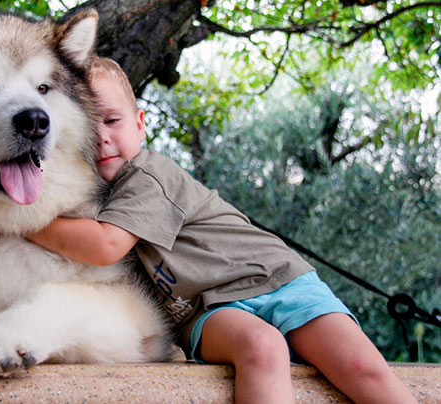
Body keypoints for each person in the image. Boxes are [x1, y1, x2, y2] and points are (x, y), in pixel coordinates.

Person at [25, 56, 417, 404]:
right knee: (262, 347)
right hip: (210, 310)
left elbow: (106, 246)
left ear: (140, 125)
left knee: (361, 367)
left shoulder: (148, 174)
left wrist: (23, 224)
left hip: (276, 279)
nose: (102, 138)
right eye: (87, 129)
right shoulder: (83, 196)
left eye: (111, 120)